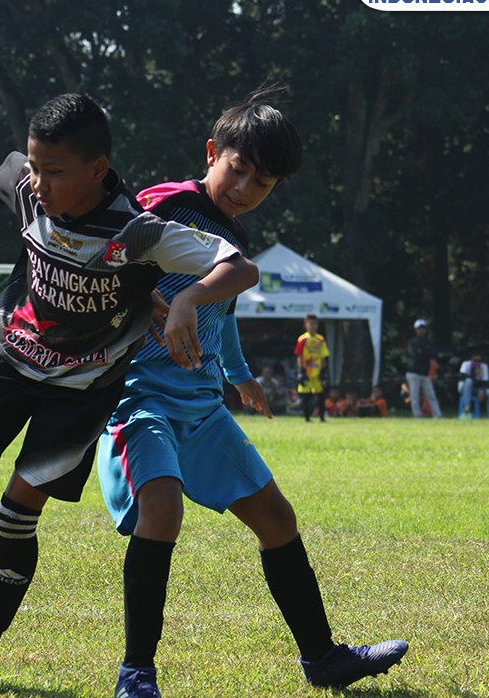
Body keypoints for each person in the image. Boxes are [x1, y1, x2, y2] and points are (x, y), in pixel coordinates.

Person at [0, 93, 258, 695]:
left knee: (17, 514)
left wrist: (190, 298)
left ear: (97, 169)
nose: (38, 182)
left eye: (54, 171)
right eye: (35, 167)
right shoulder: (30, 186)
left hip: (80, 393)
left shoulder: (135, 231)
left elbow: (239, 267)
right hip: (12, 363)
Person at [95, 89, 407, 698]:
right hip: (140, 398)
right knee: (162, 509)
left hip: (202, 404)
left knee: (276, 518)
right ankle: (136, 675)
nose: (244, 187)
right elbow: (108, 260)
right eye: (237, 169)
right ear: (212, 153)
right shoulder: (164, 205)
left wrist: (239, 375)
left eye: (261, 182)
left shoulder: (230, 234)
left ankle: (322, 659)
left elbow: (223, 310)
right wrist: (159, 299)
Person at [295, 314, 330, 422]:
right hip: (306, 371)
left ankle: (322, 417)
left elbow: (323, 356)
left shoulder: (320, 339)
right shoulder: (302, 339)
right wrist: (301, 371)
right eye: (311, 324)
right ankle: (307, 418)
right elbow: (299, 356)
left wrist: (324, 371)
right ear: (306, 325)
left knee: (320, 395)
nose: (313, 326)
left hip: (317, 372)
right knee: (306, 396)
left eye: (315, 324)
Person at [405, 319, 442, 418]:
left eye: (423, 329)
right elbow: (415, 355)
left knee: (431, 395)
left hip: (425, 373)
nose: (422, 331)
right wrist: (426, 353)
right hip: (413, 372)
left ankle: (437, 414)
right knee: (415, 396)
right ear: (416, 330)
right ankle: (417, 415)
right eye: (420, 329)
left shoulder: (428, 343)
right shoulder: (412, 343)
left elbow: (434, 354)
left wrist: (423, 352)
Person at [457, 351, 489, 419]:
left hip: (477, 389)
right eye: (475, 360)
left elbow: (486, 382)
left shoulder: (484, 366)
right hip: (464, 388)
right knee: (469, 381)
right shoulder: (466, 364)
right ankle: (467, 407)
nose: (477, 363)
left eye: (478, 361)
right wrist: (474, 375)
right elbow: (462, 376)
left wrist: (482, 391)